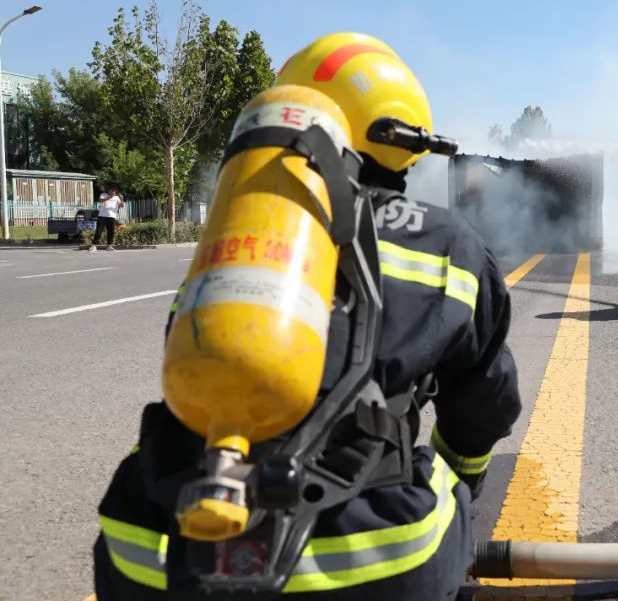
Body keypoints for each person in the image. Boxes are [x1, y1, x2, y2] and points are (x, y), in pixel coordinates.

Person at [93, 33, 522, 600]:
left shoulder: (241, 231)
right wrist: (462, 484)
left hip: (151, 550)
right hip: (371, 559)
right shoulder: (446, 241)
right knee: (449, 486)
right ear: (403, 136)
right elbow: (485, 407)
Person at [90, 186, 123, 252]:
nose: (114, 191)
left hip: (112, 217)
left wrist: (122, 199)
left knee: (111, 232)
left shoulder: (117, 198)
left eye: (114, 190)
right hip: (102, 216)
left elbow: (121, 205)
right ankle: (93, 246)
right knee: (99, 232)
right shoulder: (103, 195)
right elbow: (100, 201)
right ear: (108, 190)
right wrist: (109, 197)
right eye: (112, 190)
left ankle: (109, 246)